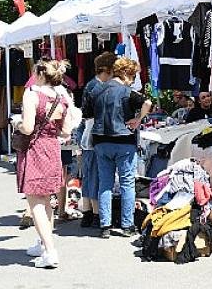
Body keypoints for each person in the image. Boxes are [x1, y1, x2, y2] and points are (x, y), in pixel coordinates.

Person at [13, 60, 76, 269]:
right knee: (47, 200)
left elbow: (28, 127)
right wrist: (50, 129)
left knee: (36, 202)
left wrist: (17, 123)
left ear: (40, 74)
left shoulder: (32, 95)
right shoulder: (62, 97)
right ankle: (43, 243)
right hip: (52, 149)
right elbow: (66, 131)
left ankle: (50, 251)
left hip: (35, 149)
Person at [85, 57, 152, 239]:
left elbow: (87, 114)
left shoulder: (96, 90)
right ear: (125, 74)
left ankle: (105, 225)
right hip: (124, 140)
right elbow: (147, 103)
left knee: (105, 183)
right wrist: (138, 119)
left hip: (100, 141)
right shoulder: (127, 91)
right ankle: (127, 225)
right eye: (132, 77)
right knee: (127, 183)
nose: (133, 81)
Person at [78, 52, 117, 229]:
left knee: (88, 176)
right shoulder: (97, 87)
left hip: (88, 136)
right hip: (94, 136)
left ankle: (87, 213)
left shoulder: (91, 85)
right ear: (107, 71)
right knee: (95, 176)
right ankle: (95, 214)